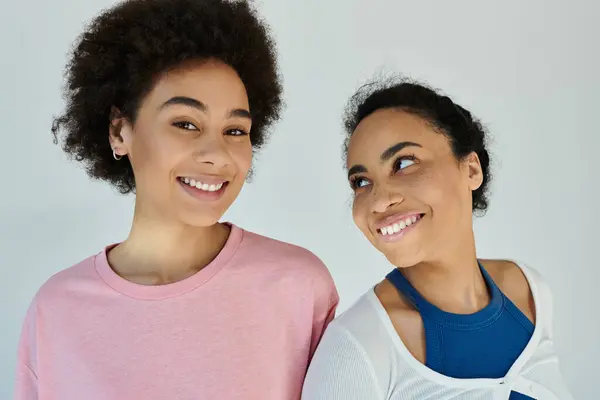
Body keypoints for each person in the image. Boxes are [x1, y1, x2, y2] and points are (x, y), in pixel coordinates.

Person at [15, 1, 338, 398]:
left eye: (235, 130)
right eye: (185, 123)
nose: (217, 154)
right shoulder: (57, 311)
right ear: (119, 131)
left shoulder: (298, 288)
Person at [302, 79, 571, 399]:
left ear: (471, 169)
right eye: (361, 181)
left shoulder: (530, 293)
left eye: (403, 164)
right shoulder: (357, 348)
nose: (378, 201)